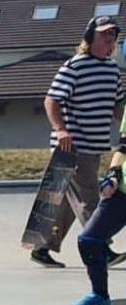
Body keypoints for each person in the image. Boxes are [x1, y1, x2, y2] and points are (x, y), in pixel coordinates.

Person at [32, 15, 125, 268]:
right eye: (104, 33)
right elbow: (51, 100)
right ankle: (100, 245)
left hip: (94, 145)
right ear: (90, 37)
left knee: (66, 202)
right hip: (72, 145)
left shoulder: (112, 69)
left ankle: (41, 247)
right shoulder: (75, 66)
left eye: (113, 34)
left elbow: (118, 107)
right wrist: (60, 130)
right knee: (89, 197)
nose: (110, 38)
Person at [70, 103, 126, 305]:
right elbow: (123, 146)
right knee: (89, 240)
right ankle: (100, 296)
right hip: (121, 191)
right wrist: (112, 174)